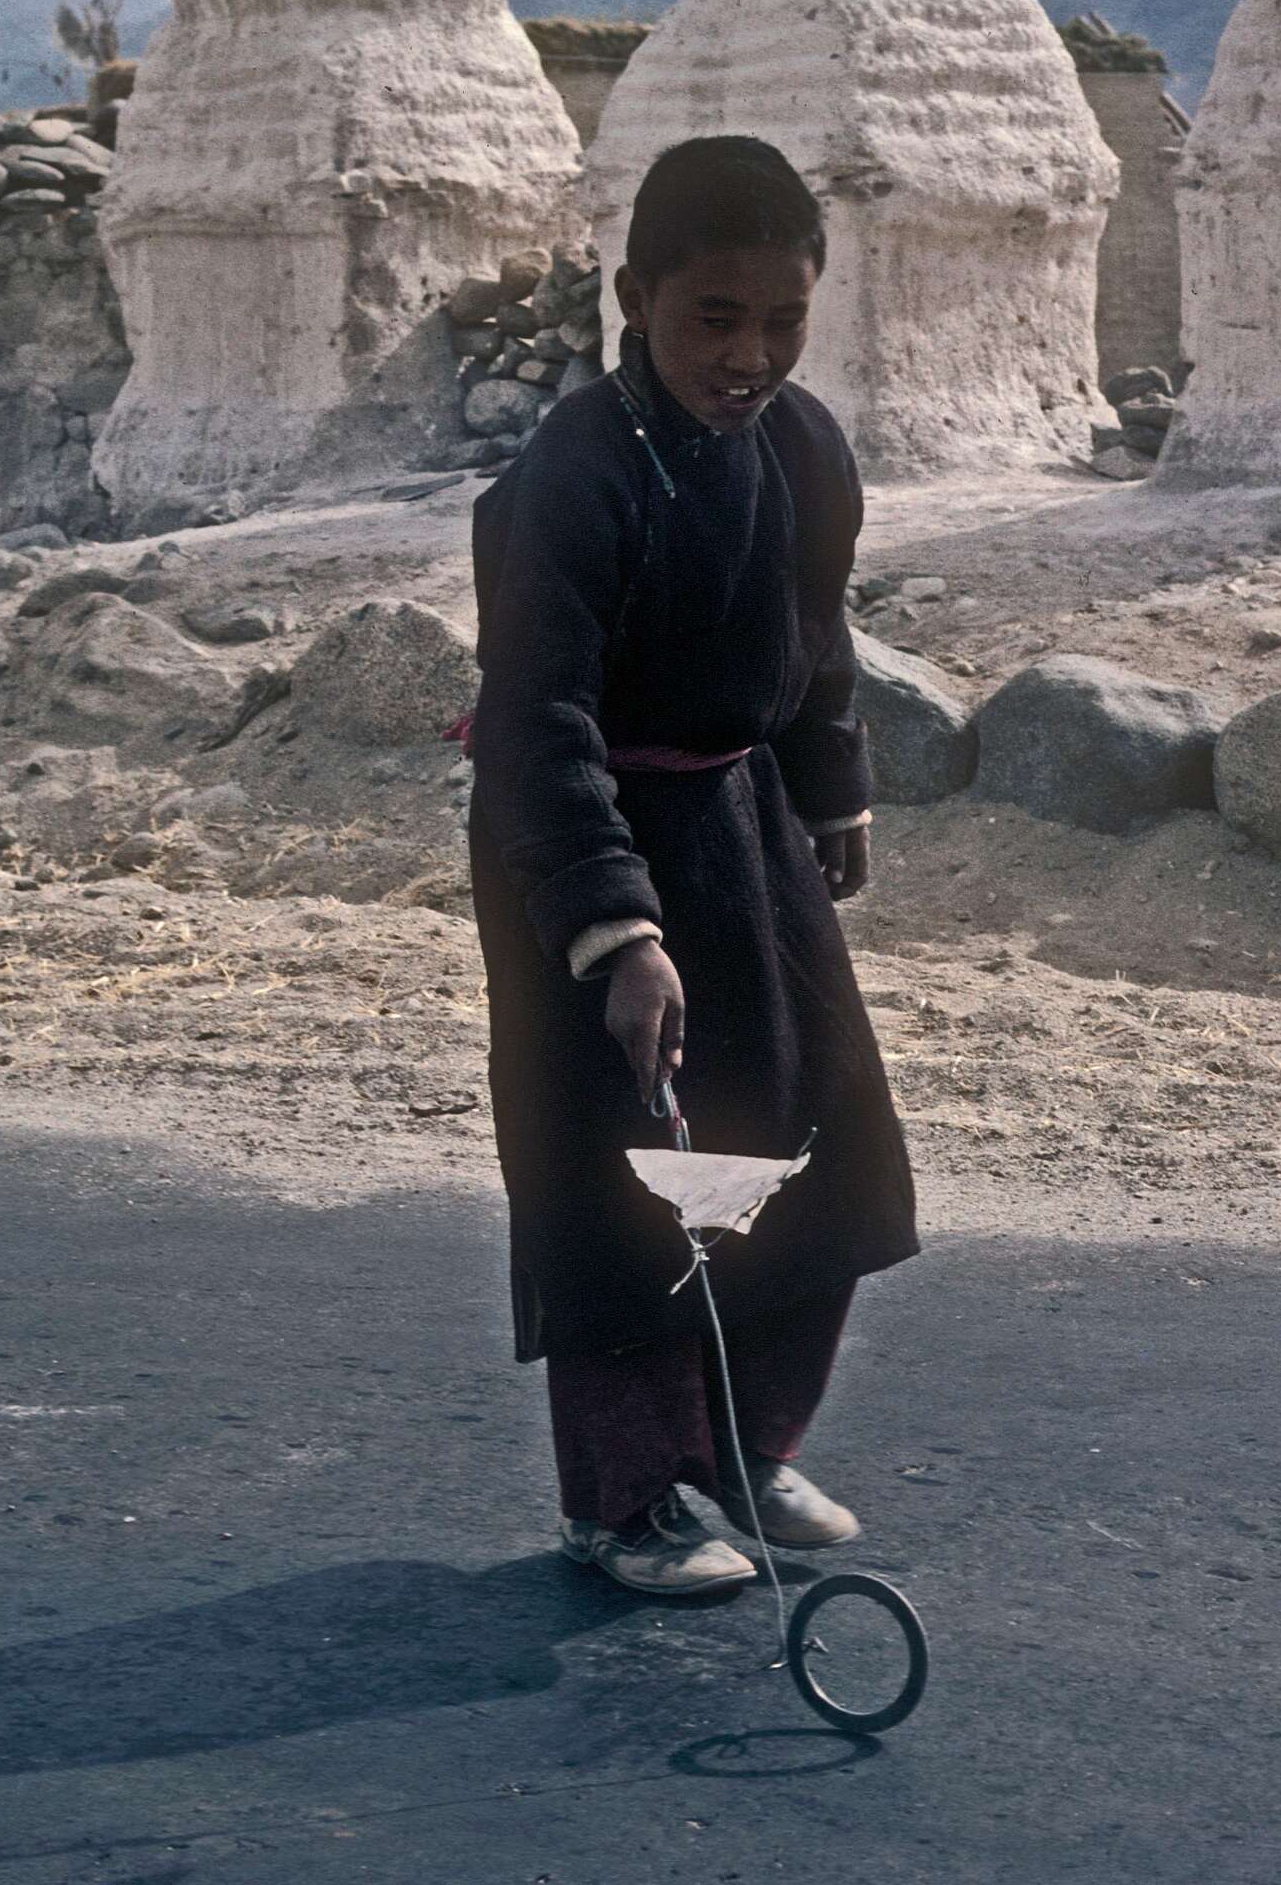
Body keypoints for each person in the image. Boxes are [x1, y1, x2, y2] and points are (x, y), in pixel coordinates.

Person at [467, 135, 917, 1597]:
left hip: (740, 817)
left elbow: (817, 642)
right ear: (634, 299)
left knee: (809, 1139)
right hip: (587, 832)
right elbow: (537, 718)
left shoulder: (805, 450)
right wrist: (614, 929)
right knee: (628, 1174)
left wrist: (831, 796)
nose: (749, 357)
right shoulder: (577, 471)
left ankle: (743, 1448)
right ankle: (630, 1499)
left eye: (783, 321)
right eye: (713, 319)